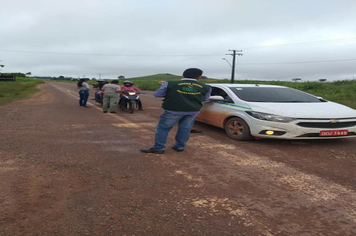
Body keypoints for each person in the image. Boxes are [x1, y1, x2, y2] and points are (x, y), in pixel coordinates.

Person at [140, 68, 211, 154]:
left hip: (173, 110)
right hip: (192, 111)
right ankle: (180, 146)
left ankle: (159, 148)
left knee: (163, 128)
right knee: (185, 128)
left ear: (183, 75)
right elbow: (205, 99)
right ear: (199, 77)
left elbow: (157, 94)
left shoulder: (170, 84)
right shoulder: (206, 87)